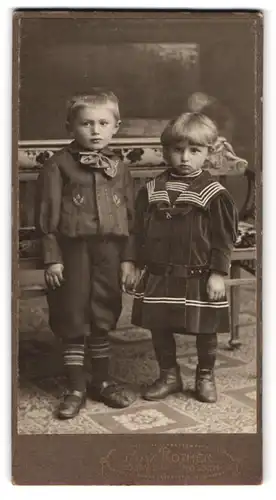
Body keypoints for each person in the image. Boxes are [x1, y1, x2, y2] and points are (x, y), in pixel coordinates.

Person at [35, 89, 137, 419]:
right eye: (86, 123)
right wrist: (52, 257)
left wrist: (127, 258)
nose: (95, 130)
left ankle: (103, 381)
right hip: (73, 250)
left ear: (115, 127)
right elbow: (47, 215)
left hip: (109, 250)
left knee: (104, 310)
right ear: (70, 127)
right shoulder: (57, 165)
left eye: (103, 123)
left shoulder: (120, 167)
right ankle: (77, 385)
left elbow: (131, 216)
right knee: (73, 311)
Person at [131, 112, 239, 403]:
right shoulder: (151, 191)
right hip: (159, 273)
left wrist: (218, 273)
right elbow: (137, 232)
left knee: (206, 327)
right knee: (160, 324)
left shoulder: (215, 194)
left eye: (195, 150)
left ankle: (205, 375)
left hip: (199, 274)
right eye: (178, 150)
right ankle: (169, 374)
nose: (185, 158)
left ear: (208, 153)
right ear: (166, 151)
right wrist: (134, 263)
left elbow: (223, 238)